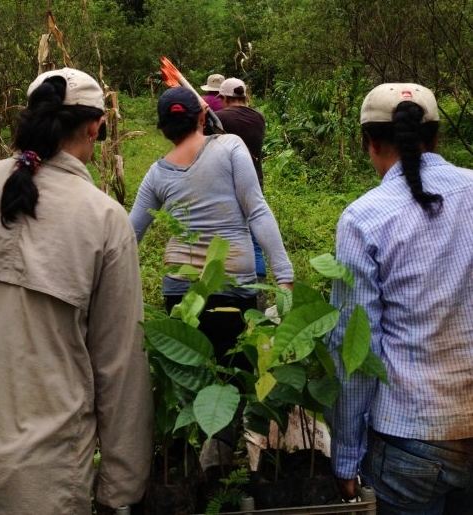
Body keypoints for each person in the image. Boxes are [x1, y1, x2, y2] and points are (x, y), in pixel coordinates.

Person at [0, 67, 153, 514]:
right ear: (95, 127)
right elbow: (121, 366)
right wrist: (120, 490)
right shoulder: (104, 220)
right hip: (41, 480)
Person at [326, 83, 473, 514]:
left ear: (369, 143)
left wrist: (347, 455)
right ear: (436, 136)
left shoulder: (363, 218)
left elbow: (355, 348)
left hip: (411, 437)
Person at [129, 86, 293, 363]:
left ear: (163, 130)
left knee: (191, 379)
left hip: (180, 292)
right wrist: (284, 276)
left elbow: (129, 235)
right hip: (234, 286)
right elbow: (256, 211)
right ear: (201, 118)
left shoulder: (156, 173)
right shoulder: (230, 146)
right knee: (235, 376)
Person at [216, 77, 268, 297]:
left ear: (226, 98)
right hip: (255, 182)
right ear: (244, 96)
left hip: (227, 185)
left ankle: (229, 290)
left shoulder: (218, 118)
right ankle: (260, 292)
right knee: (255, 240)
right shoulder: (259, 118)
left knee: (226, 239)